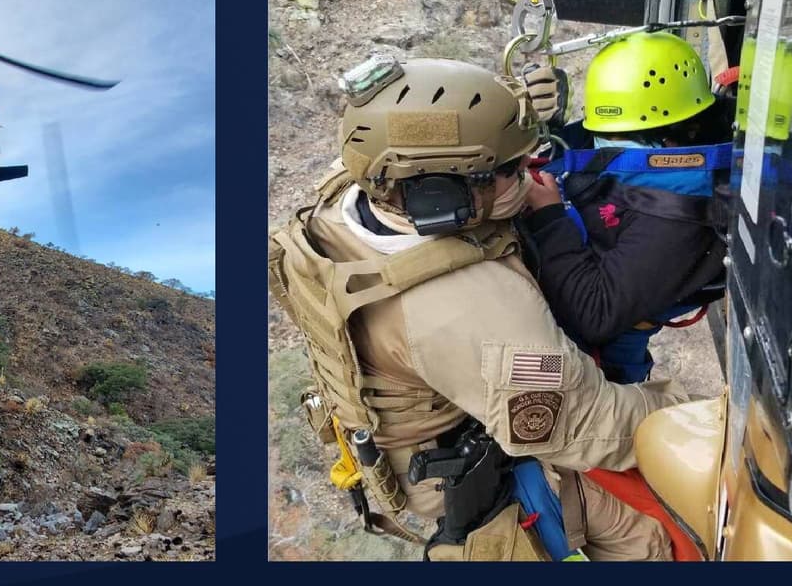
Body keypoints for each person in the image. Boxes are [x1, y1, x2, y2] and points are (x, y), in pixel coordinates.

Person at [268, 55, 691, 561]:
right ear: (439, 196)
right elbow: (587, 429)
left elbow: (427, 127)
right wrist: (695, 416)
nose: (532, 173)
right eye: (512, 169)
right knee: (662, 535)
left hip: (440, 413)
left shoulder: (359, 184)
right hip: (488, 469)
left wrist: (517, 114)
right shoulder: (464, 308)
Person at [523, 32, 732, 384]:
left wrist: (549, 219)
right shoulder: (654, 169)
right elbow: (597, 167)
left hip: (602, 368)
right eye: (602, 133)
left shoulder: (678, 213)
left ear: (674, 137)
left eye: (620, 138)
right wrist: (549, 132)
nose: (604, 145)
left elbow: (596, 315)